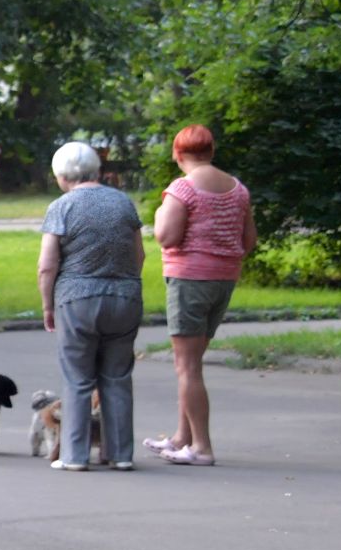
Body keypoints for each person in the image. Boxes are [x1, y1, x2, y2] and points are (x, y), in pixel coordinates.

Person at [147, 124, 255, 466]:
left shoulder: (183, 189)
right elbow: (249, 241)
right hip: (223, 280)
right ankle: (182, 438)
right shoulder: (238, 190)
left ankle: (202, 448)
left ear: (178, 154)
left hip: (190, 280)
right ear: (211, 151)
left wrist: (159, 214)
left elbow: (166, 237)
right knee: (191, 364)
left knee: (187, 367)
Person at [37, 142, 144, 471]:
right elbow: (139, 254)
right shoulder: (124, 203)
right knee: (117, 377)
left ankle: (74, 456)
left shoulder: (62, 207)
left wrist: (47, 304)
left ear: (62, 175)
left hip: (77, 299)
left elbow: (47, 265)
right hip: (125, 298)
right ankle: (120, 455)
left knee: (78, 379)